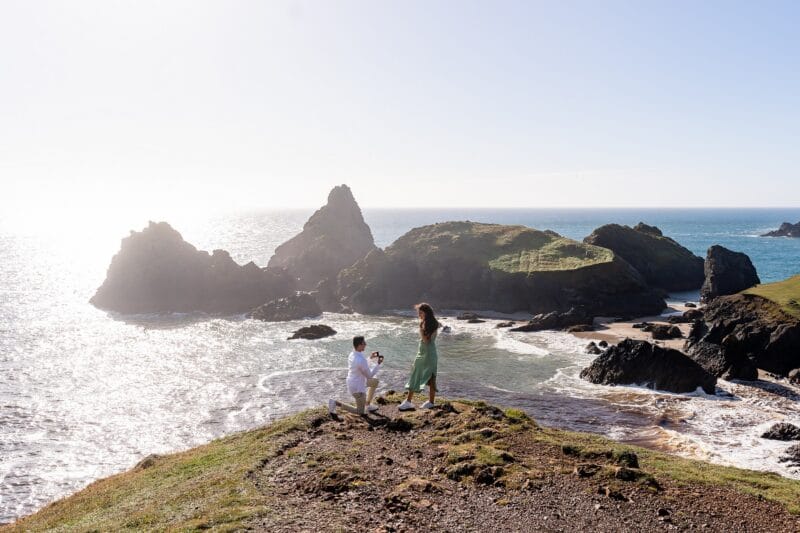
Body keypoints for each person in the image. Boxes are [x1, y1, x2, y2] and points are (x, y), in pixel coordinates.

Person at [328, 335, 383, 415]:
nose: (366, 344)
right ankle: (335, 403)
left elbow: (362, 366)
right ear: (360, 345)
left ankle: (367, 404)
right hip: (358, 389)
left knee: (374, 382)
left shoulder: (353, 354)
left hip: (353, 382)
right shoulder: (360, 359)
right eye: (364, 343)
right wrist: (378, 364)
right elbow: (369, 376)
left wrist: (370, 358)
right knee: (360, 412)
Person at [399, 302, 439, 410]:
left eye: (420, 313)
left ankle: (411, 402)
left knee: (421, 376)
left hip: (427, 354)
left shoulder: (427, 324)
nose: (419, 315)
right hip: (427, 353)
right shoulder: (431, 323)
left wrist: (421, 329)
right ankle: (426, 402)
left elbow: (426, 340)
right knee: (424, 376)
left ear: (426, 313)